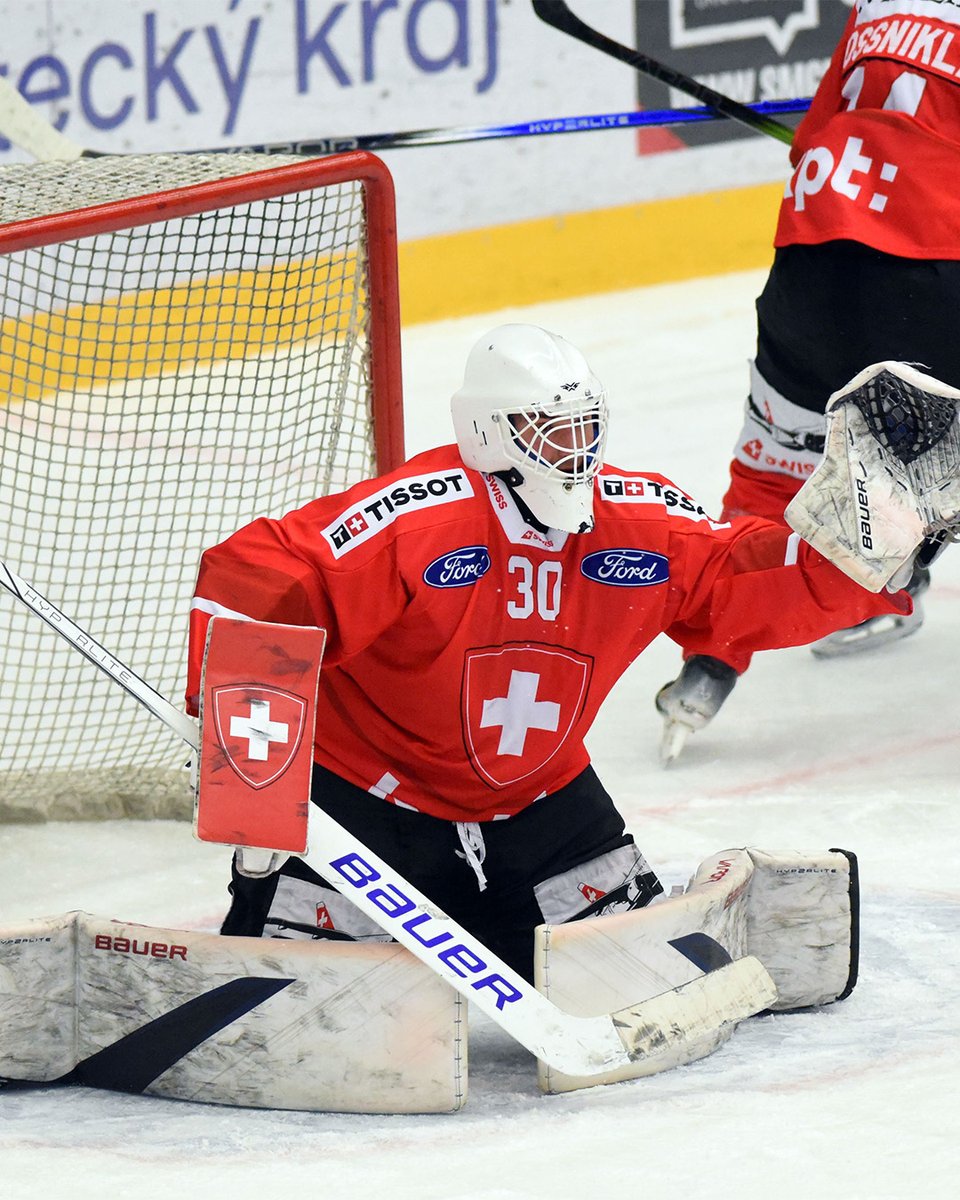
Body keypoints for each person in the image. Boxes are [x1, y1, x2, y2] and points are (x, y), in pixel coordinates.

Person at [185, 323, 908, 983]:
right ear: (488, 431)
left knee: (643, 981)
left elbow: (746, 580)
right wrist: (249, 758)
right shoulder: (418, 521)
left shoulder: (637, 523)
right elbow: (260, 575)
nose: (572, 448)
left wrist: (871, 544)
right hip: (370, 810)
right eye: (546, 428)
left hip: (543, 808)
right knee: (309, 1002)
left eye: (582, 426)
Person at [656, 0, 960, 761]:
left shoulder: (876, 3)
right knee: (920, 479)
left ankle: (712, 654)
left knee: (769, 478)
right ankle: (894, 567)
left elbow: (818, 138)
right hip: (928, 279)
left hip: (810, 264)